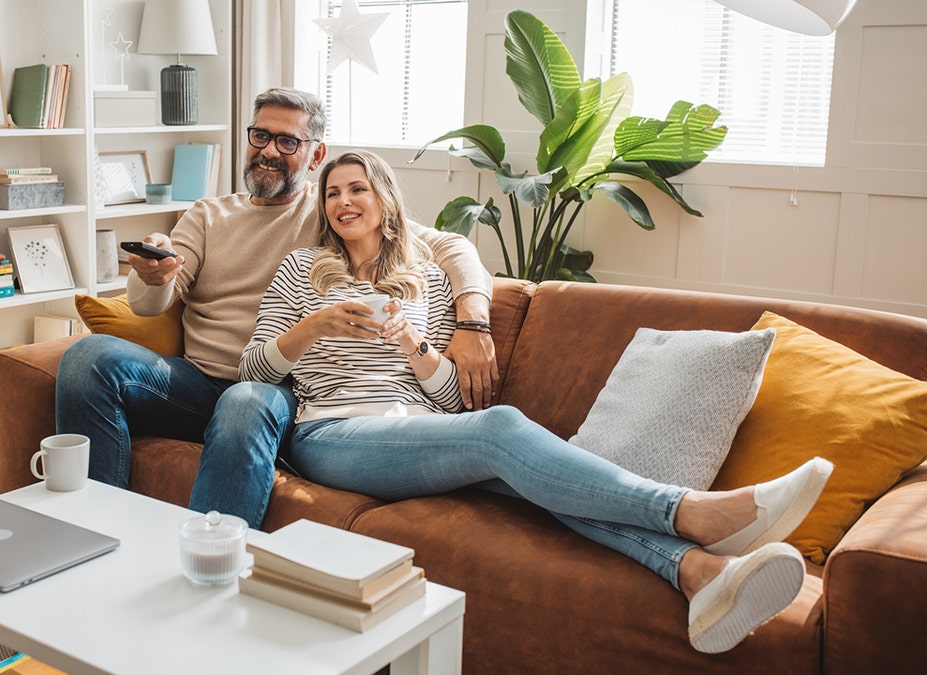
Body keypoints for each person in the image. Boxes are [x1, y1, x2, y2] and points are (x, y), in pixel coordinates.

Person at [239, 150, 834, 654]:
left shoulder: (426, 278)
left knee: (544, 485)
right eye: (333, 192)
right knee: (500, 428)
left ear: (384, 198)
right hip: (332, 435)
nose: (344, 202)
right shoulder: (300, 272)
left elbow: (451, 397)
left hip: (417, 435)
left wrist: (415, 343)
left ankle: (699, 574)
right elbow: (254, 369)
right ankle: (690, 511)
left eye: (357, 189)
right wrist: (313, 326)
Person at [55, 89, 495, 529]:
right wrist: (155, 275)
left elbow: (449, 245)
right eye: (260, 135)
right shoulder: (208, 215)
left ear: (316, 154)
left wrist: (473, 321)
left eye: (287, 142)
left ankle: (213, 557)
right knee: (84, 357)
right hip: (197, 383)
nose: (269, 151)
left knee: (247, 399)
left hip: (280, 391)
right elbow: (152, 301)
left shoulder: (331, 211)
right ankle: (90, 526)